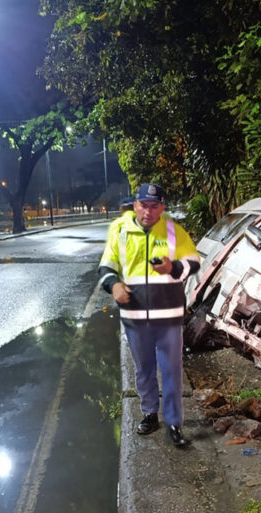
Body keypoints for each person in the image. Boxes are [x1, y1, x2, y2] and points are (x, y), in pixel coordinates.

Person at [98, 183, 200, 446]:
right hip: (135, 317)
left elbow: (194, 262)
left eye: (155, 206)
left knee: (171, 370)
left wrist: (173, 266)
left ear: (162, 208)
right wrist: (114, 285)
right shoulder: (119, 231)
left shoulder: (173, 231)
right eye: (144, 205)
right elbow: (106, 267)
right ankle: (149, 413)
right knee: (143, 368)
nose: (148, 211)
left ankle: (175, 423)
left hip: (168, 317)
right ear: (135, 205)